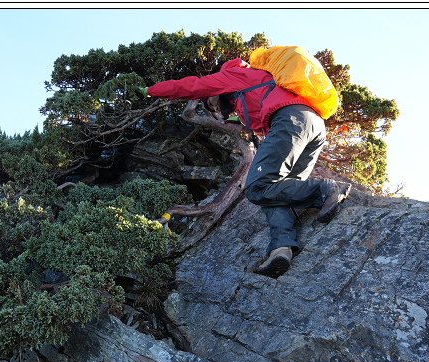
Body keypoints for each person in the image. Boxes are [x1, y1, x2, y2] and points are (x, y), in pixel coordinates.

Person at [144, 57, 351, 278]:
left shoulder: (232, 75)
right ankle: (281, 249)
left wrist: (149, 90)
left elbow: (191, 86)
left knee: (257, 187)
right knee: (276, 192)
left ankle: (325, 189)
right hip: (313, 125)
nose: (216, 109)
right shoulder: (254, 85)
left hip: (289, 119)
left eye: (212, 104)